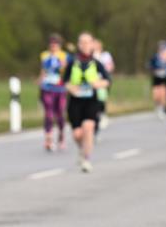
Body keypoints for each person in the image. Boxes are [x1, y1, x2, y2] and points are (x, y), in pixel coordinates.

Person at [62, 32, 111, 173]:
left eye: (88, 42)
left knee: (88, 127)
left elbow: (107, 80)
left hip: (91, 100)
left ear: (92, 44)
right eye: (82, 42)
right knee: (77, 134)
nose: (85, 45)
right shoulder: (72, 62)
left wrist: (98, 83)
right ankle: (82, 149)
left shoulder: (96, 63)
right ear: (78, 45)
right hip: (75, 102)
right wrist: (71, 88)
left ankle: (87, 159)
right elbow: (64, 81)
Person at [38, 34, 68, 151]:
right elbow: (44, 70)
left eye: (55, 44)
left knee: (60, 113)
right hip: (47, 88)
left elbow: (65, 70)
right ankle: (48, 138)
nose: (53, 46)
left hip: (60, 89)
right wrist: (40, 80)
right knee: (48, 113)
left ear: (59, 45)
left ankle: (61, 134)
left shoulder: (64, 56)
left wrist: (60, 61)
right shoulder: (44, 55)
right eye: (51, 44)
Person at [93, 39, 115, 133]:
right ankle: (95, 122)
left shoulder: (106, 55)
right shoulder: (90, 56)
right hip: (92, 82)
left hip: (102, 81)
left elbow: (110, 66)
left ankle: (102, 114)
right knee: (93, 102)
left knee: (101, 99)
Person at [149, 41, 166, 119]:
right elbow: (150, 65)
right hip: (156, 77)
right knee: (156, 95)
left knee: (163, 94)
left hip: (164, 78)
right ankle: (158, 106)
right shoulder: (155, 57)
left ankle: (163, 109)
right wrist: (154, 70)